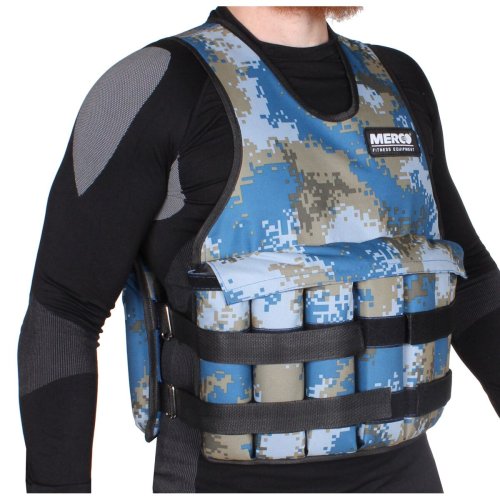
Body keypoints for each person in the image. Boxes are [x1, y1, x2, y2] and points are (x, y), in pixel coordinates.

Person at [17, 5, 500, 494]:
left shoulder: (398, 81)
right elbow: (64, 314)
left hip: (405, 477)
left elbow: (472, 279)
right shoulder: (151, 85)